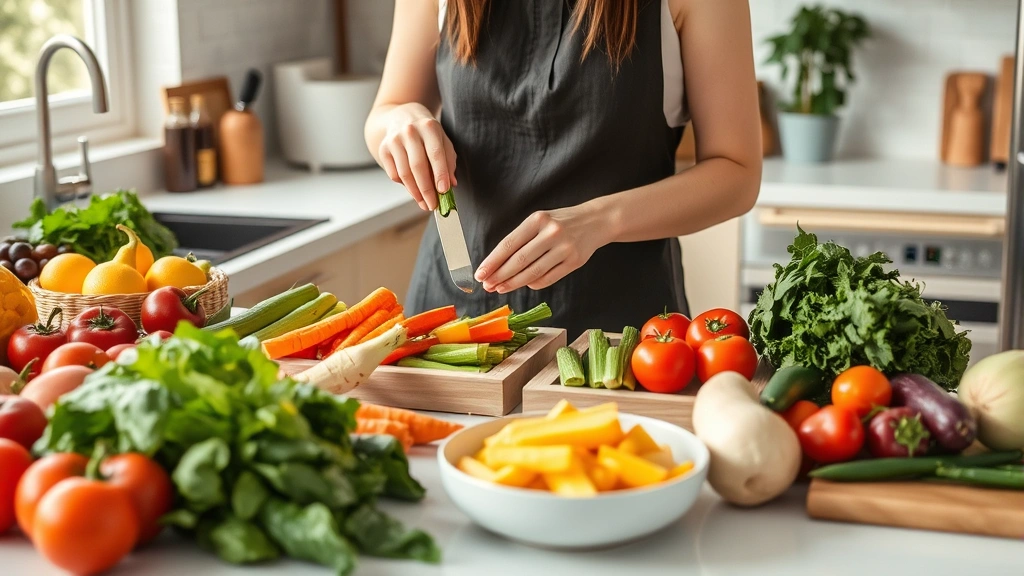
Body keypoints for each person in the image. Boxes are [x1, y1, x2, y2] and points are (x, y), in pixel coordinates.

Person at [365, 0, 761, 338]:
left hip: (620, 331)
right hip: (453, 317)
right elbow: (386, 111)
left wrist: (601, 220)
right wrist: (400, 121)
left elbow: (737, 172)